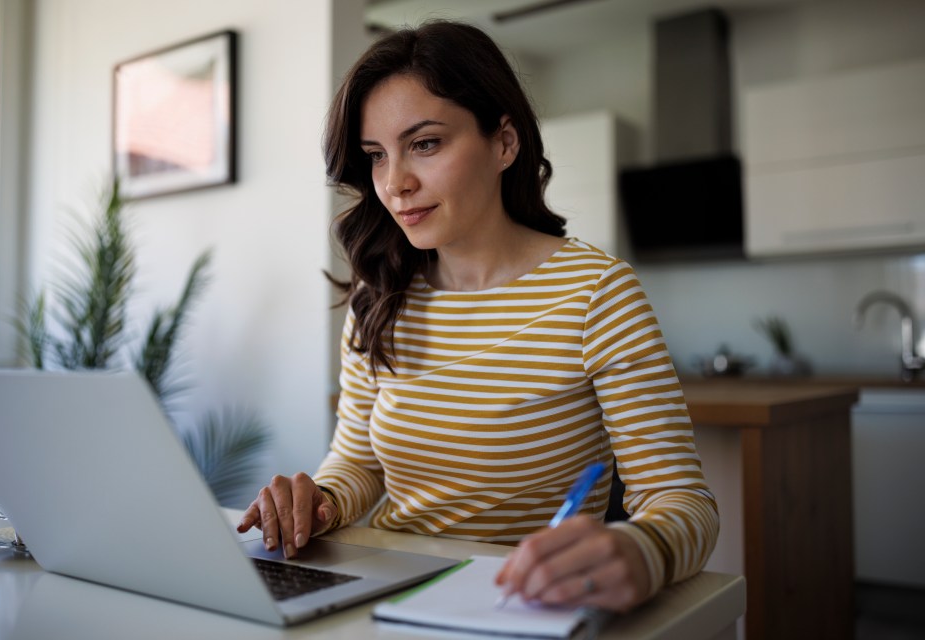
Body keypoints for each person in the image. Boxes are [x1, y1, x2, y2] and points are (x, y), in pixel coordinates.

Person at [237, 19, 719, 613]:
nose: (395, 184)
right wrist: (323, 500)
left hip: (520, 605)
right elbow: (359, 462)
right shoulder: (380, 296)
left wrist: (641, 552)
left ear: (504, 144)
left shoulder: (596, 292)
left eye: (425, 144)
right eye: (375, 157)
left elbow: (681, 500)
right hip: (385, 592)